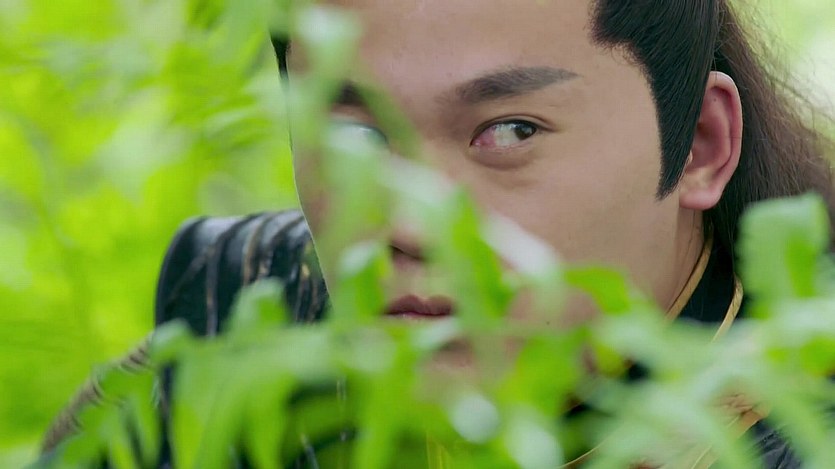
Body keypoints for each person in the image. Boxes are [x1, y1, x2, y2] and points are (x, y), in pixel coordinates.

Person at [41, 0, 835, 467]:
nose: (411, 224)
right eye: (352, 138)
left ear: (698, 144)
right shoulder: (232, 332)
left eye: (510, 131)